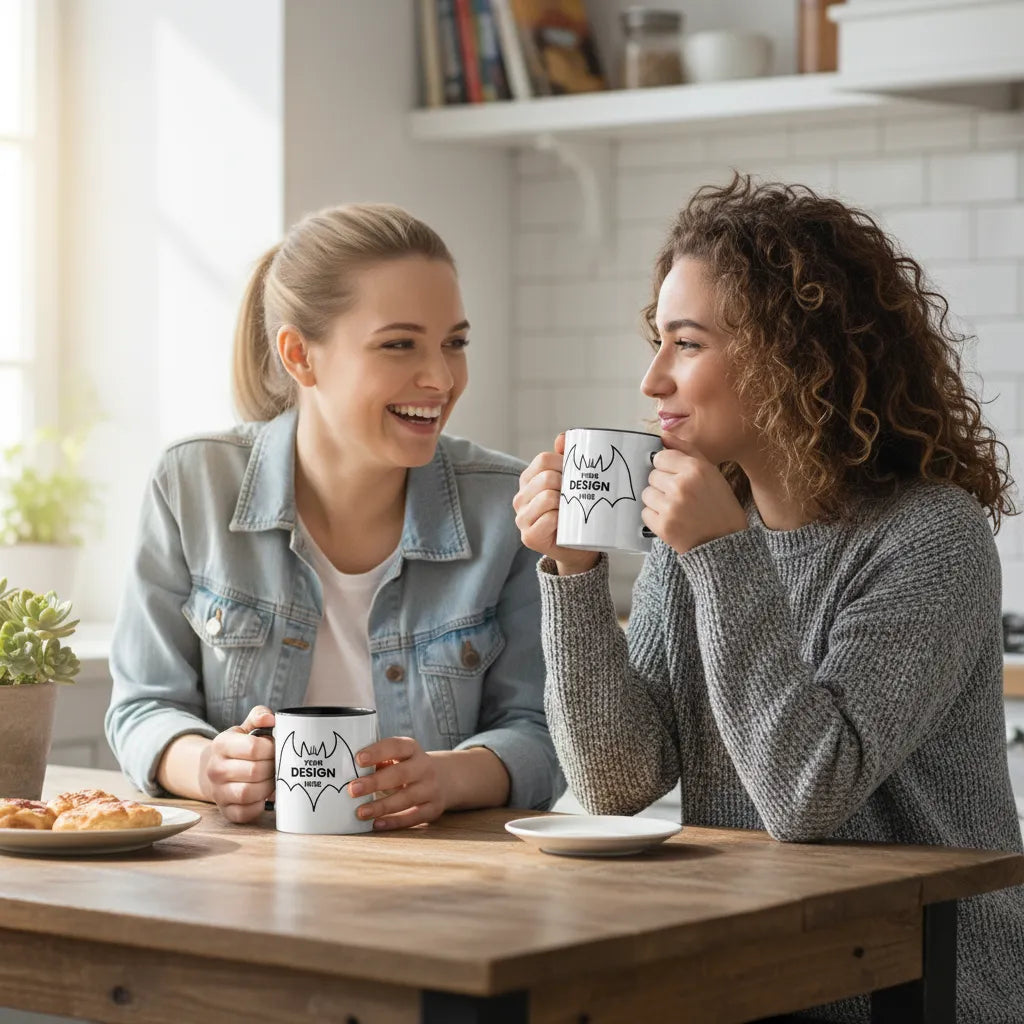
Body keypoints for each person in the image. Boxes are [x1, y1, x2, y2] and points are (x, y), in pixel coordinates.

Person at [513, 174, 1024, 1022]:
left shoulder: (930, 536)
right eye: (658, 340)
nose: (652, 380)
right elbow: (615, 781)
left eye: (687, 343)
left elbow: (807, 796)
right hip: (768, 967)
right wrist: (574, 578)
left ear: (794, 354)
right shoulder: (709, 524)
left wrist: (720, 554)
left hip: (927, 983)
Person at [106, 202, 562, 828]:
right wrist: (210, 767)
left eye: (454, 343)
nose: (441, 378)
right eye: (399, 344)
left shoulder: (506, 503)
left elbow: (543, 732)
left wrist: (446, 777)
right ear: (299, 355)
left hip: (446, 888)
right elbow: (144, 707)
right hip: (235, 882)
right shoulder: (193, 483)